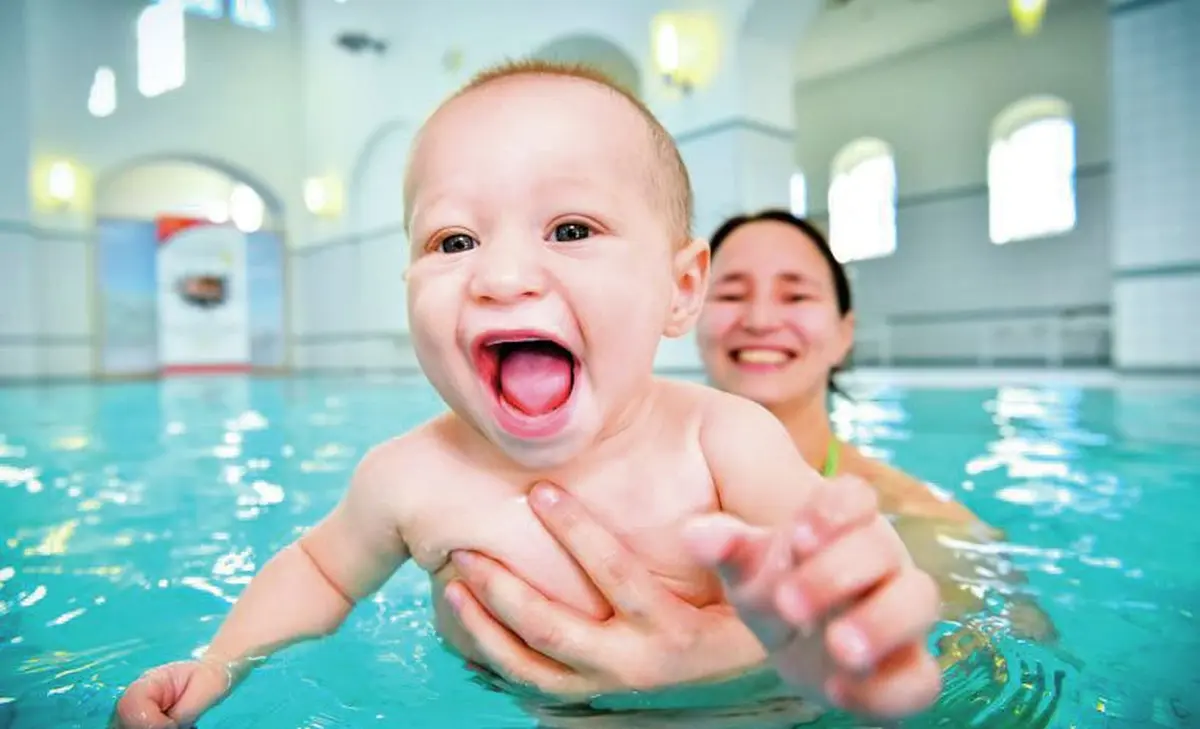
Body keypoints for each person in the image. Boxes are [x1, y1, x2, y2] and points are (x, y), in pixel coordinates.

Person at [110, 62, 942, 729]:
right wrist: (219, 663)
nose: (501, 278)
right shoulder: (407, 476)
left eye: (571, 229)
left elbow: (847, 577)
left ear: (680, 287)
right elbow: (319, 572)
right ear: (407, 282)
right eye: (454, 239)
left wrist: (840, 618)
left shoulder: (723, 441)